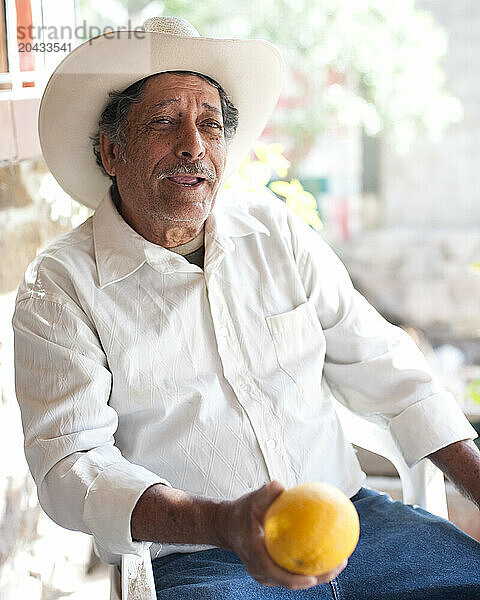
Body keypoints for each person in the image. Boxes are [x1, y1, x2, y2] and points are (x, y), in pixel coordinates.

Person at [13, 16, 480, 600]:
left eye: (210, 124)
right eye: (164, 122)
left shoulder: (274, 231)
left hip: (354, 524)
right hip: (202, 558)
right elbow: (71, 468)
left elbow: (387, 367)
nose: (193, 145)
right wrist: (223, 522)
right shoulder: (59, 287)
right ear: (111, 150)